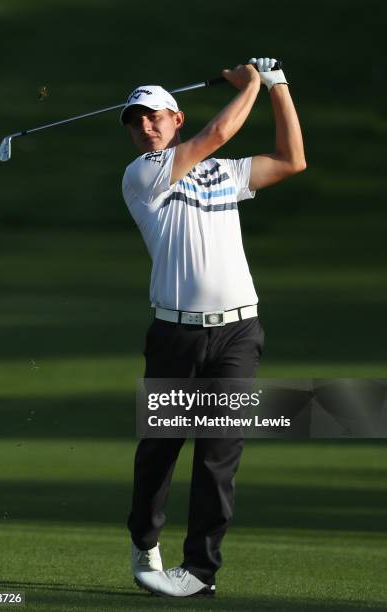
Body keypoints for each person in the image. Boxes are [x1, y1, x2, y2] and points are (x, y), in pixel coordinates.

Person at [120, 57, 306, 597]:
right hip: (175, 334)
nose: (145, 128)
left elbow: (292, 160)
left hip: (237, 334)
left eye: (155, 117)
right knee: (161, 446)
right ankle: (144, 539)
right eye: (136, 122)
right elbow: (219, 130)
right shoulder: (141, 175)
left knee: (219, 453)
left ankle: (199, 572)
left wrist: (279, 88)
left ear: (176, 118)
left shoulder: (225, 173)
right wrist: (252, 83)